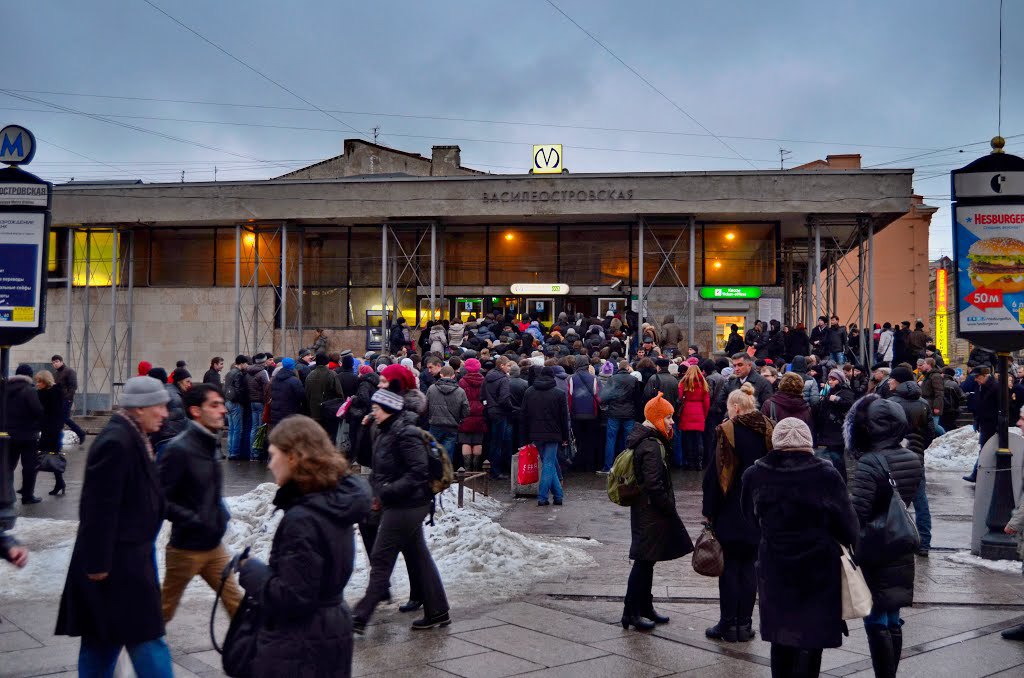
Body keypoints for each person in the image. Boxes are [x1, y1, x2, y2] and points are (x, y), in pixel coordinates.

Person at [55, 376, 174, 677]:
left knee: (101, 640)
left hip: (124, 561)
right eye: (160, 406)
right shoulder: (117, 441)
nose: (165, 413)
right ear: (140, 408)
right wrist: (98, 564)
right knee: (145, 639)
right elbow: (97, 506)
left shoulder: (133, 436)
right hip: (117, 566)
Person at [238, 415, 371, 676]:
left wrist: (250, 571)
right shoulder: (333, 500)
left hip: (301, 642)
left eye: (272, 454)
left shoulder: (303, 518)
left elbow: (294, 596)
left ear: (293, 457)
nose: (269, 465)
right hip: (330, 630)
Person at [741, 417, 859, 677]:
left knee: (781, 635)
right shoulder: (826, 473)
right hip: (818, 567)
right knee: (811, 636)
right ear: (808, 442)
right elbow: (848, 525)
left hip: (775, 564)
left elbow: (749, 518)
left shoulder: (755, 473)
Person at [353, 387, 451, 632]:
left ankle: (360, 616)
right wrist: (365, 428)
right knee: (419, 557)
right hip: (398, 502)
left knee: (381, 557)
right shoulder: (385, 431)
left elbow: (418, 473)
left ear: (388, 410)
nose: (373, 412)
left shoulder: (406, 434)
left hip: (409, 504)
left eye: (376, 409)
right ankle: (438, 611)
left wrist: (386, 491)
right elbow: (368, 461)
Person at [847, 394, 924, 678]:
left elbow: (859, 511)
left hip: (875, 547)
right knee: (893, 614)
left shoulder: (870, 461)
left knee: (876, 614)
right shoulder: (912, 457)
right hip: (901, 541)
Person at [157, 384, 243, 622]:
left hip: (213, 546)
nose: (223, 410)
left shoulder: (210, 442)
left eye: (221, 404)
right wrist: (193, 519)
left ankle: (253, 655)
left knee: (237, 605)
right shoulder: (179, 449)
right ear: (196, 411)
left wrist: (219, 516)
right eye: (214, 405)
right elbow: (160, 500)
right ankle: (130, 646)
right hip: (185, 549)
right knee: (163, 611)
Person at [703, 384, 773, 643]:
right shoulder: (769, 428)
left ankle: (728, 624)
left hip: (731, 509)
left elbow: (714, 475)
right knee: (750, 568)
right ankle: (745, 624)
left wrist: (708, 511)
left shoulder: (727, 431)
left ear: (735, 407)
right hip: (758, 510)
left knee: (730, 568)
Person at [621, 392, 693, 631]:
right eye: (669, 417)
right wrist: (667, 507)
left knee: (648, 561)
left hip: (647, 510)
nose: (672, 422)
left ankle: (644, 607)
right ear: (657, 418)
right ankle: (631, 613)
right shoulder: (651, 445)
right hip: (650, 511)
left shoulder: (649, 439)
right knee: (643, 561)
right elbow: (653, 483)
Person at [886, 366, 937, 558]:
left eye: (892, 379)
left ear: (898, 381)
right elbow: (930, 432)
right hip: (916, 459)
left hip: (894, 459)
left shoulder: (890, 403)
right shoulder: (923, 403)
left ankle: (894, 540)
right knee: (921, 501)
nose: (889, 381)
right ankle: (924, 543)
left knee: (891, 501)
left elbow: (883, 431)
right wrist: (918, 448)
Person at [521, 366, 569, 506]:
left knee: (548, 463)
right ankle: (542, 497)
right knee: (549, 464)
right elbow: (563, 418)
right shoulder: (559, 394)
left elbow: (523, 416)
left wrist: (525, 438)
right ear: (553, 377)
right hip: (554, 433)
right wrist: (565, 437)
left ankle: (558, 495)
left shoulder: (529, 392)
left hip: (535, 433)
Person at [6, 364, 43, 504]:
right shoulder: (30, 390)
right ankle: (27, 496)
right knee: (29, 467)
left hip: (8, 435)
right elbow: (38, 411)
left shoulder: (4, 389)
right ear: (29, 376)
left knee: (8, 467)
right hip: (28, 435)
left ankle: (7, 495)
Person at [815, 369, 855, 483]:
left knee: (837, 459)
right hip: (828, 430)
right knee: (832, 458)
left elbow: (850, 405)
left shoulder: (845, 391)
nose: (831, 381)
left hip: (836, 431)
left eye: (834, 379)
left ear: (840, 380)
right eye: (830, 379)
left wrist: (837, 400)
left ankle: (841, 481)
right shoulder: (830, 391)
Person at [600, 360, 638, 474]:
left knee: (611, 440)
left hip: (614, 413)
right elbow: (637, 397)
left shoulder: (612, 379)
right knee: (629, 441)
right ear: (628, 368)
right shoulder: (634, 380)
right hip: (629, 413)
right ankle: (627, 467)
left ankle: (608, 467)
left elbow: (605, 396)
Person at [426, 365, 469, 462]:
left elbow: (425, 406)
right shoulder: (460, 391)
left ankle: (434, 473)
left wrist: (430, 417)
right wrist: (459, 418)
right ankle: (446, 473)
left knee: (433, 452)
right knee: (448, 453)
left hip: (435, 424)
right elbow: (466, 410)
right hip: (452, 425)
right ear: (453, 376)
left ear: (441, 374)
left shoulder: (432, 389)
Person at [484, 356, 517, 479]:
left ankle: (491, 469)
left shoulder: (488, 377)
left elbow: (483, 395)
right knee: (498, 443)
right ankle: (495, 471)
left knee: (493, 442)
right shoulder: (503, 379)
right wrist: (511, 408)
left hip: (490, 411)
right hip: (501, 413)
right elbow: (504, 398)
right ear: (501, 366)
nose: (509, 367)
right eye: (508, 365)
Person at [36, 369, 67, 495]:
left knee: (49, 457)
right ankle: (59, 483)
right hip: (49, 430)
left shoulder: (51, 393)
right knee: (45, 456)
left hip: (52, 431)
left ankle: (28, 489)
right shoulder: (47, 392)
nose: (37, 384)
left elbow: (54, 413)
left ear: (45, 381)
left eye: (39, 381)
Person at [568, 355, 601, 472]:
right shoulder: (594, 378)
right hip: (592, 415)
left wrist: (570, 413)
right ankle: (590, 465)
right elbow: (599, 397)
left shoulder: (571, 379)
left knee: (579, 440)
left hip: (576, 415)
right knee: (591, 440)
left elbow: (569, 398)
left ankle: (579, 464)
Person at [151, 367, 191, 456]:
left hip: (167, 440)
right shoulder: (175, 397)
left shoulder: (172, 391)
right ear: (179, 381)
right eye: (187, 381)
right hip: (169, 441)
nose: (189, 384)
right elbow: (178, 422)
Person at [677, 365, 710, 470]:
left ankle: (690, 462)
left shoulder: (684, 383)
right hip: (699, 411)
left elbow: (679, 397)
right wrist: (704, 415)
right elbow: (706, 403)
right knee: (699, 439)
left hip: (687, 411)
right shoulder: (703, 383)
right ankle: (699, 462)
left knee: (688, 439)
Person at [457, 358, 487, 471]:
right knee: (478, 441)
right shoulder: (483, 381)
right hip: (480, 414)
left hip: (466, 413)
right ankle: (475, 470)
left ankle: (467, 470)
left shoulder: (462, 381)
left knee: (466, 441)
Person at [51, 354, 87, 443]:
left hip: (66, 399)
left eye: (56, 362)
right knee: (60, 419)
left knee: (64, 418)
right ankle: (57, 438)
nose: (55, 364)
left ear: (61, 361)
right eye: (53, 363)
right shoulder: (55, 374)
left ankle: (80, 432)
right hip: (58, 400)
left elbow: (73, 386)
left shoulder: (69, 371)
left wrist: (69, 398)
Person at [305, 352, 341, 433]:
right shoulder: (332, 374)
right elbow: (339, 393)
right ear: (327, 362)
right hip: (329, 412)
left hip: (314, 412)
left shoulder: (310, 375)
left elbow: (307, 394)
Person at [270, 357, 305, 428]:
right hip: (289, 414)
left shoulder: (275, 379)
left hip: (275, 414)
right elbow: (302, 397)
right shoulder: (295, 381)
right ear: (293, 366)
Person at [919, 357, 946, 435]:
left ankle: (945, 437)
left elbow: (939, 392)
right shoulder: (927, 376)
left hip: (932, 405)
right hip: (927, 404)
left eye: (924, 363)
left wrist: (937, 407)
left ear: (929, 365)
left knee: (935, 426)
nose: (922, 365)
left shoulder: (935, 376)